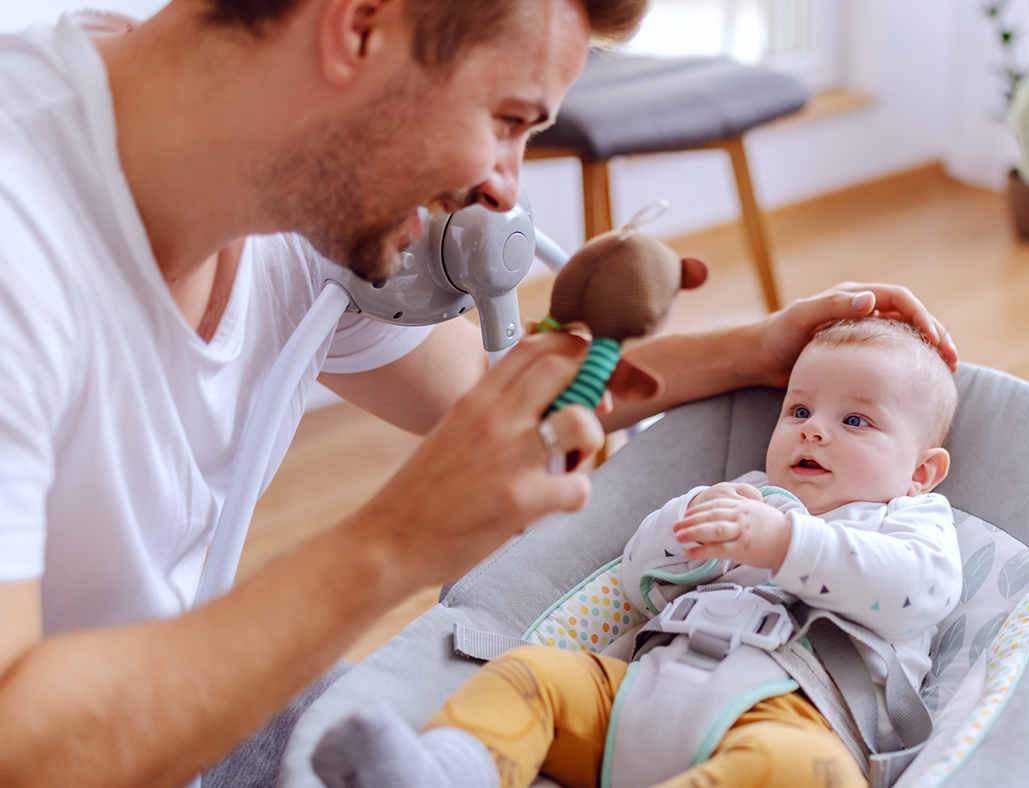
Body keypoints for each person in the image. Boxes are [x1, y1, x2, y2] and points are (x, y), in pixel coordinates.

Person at [0, 1, 959, 785]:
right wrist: (397, 542)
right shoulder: (22, 233)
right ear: (360, 26)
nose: (503, 192)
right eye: (506, 121)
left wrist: (757, 352)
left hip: (172, 710)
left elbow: (501, 404)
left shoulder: (281, 212)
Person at [309, 316, 962, 788]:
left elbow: (918, 590)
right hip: (637, 697)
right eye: (798, 411)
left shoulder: (907, 520)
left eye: (855, 421)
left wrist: (785, 543)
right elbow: (636, 582)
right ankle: (443, 772)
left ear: (921, 472)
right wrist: (684, 532)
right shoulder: (745, 495)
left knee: (805, 776)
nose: (813, 428)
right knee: (531, 676)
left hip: (790, 718)